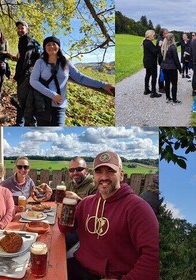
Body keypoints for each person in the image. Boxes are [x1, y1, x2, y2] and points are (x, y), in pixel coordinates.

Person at [59, 151, 159, 280]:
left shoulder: (137, 208)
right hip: (79, 268)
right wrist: (62, 215)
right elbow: (65, 229)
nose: (104, 177)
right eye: (99, 172)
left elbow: (154, 256)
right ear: (93, 175)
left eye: (110, 171)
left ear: (121, 175)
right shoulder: (86, 203)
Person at [30, 36, 115, 126]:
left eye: (54, 44)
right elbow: (33, 81)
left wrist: (103, 85)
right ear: (44, 47)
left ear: (58, 47)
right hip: (42, 104)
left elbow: (80, 77)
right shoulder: (40, 62)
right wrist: (52, 95)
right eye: (48, 44)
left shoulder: (65, 62)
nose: (51, 47)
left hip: (59, 106)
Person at [64, 156, 97, 250]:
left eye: (79, 169)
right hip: (70, 223)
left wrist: (78, 200)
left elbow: (95, 212)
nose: (75, 173)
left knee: (58, 240)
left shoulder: (94, 186)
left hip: (84, 229)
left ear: (86, 170)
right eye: (71, 170)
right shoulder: (71, 184)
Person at [13, 21, 42, 126]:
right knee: (23, 100)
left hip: (26, 74)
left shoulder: (26, 40)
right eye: (18, 28)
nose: (20, 30)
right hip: (28, 72)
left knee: (25, 101)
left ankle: (28, 124)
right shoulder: (24, 40)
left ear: (27, 28)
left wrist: (17, 76)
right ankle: (20, 123)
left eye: (22, 28)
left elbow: (25, 59)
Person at [161, 33, 182, 105]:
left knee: (167, 83)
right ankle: (174, 99)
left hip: (164, 67)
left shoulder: (164, 46)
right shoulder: (173, 47)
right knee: (174, 84)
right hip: (172, 68)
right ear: (172, 39)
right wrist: (180, 68)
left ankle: (168, 97)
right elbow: (176, 59)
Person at [142, 30, 162, 98]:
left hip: (146, 61)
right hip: (151, 62)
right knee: (154, 76)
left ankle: (146, 89)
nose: (154, 36)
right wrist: (159, 45)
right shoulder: (149, 43)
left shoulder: (145, 42)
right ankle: (153, 92)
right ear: (150, 35)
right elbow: (155, 52)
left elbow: (152, 50)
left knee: (147, 75)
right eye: (153, 35)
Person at [156, 28, 168, 93]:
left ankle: (162, 86)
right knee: (162, 73)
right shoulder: (160, 40)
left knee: (163, 73)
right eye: (166, 33)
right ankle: (161, 87)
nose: (167, 34)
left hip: (163, 59)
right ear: (163, 33)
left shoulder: (163, 39)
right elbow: (160, 51)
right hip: (162, 59)